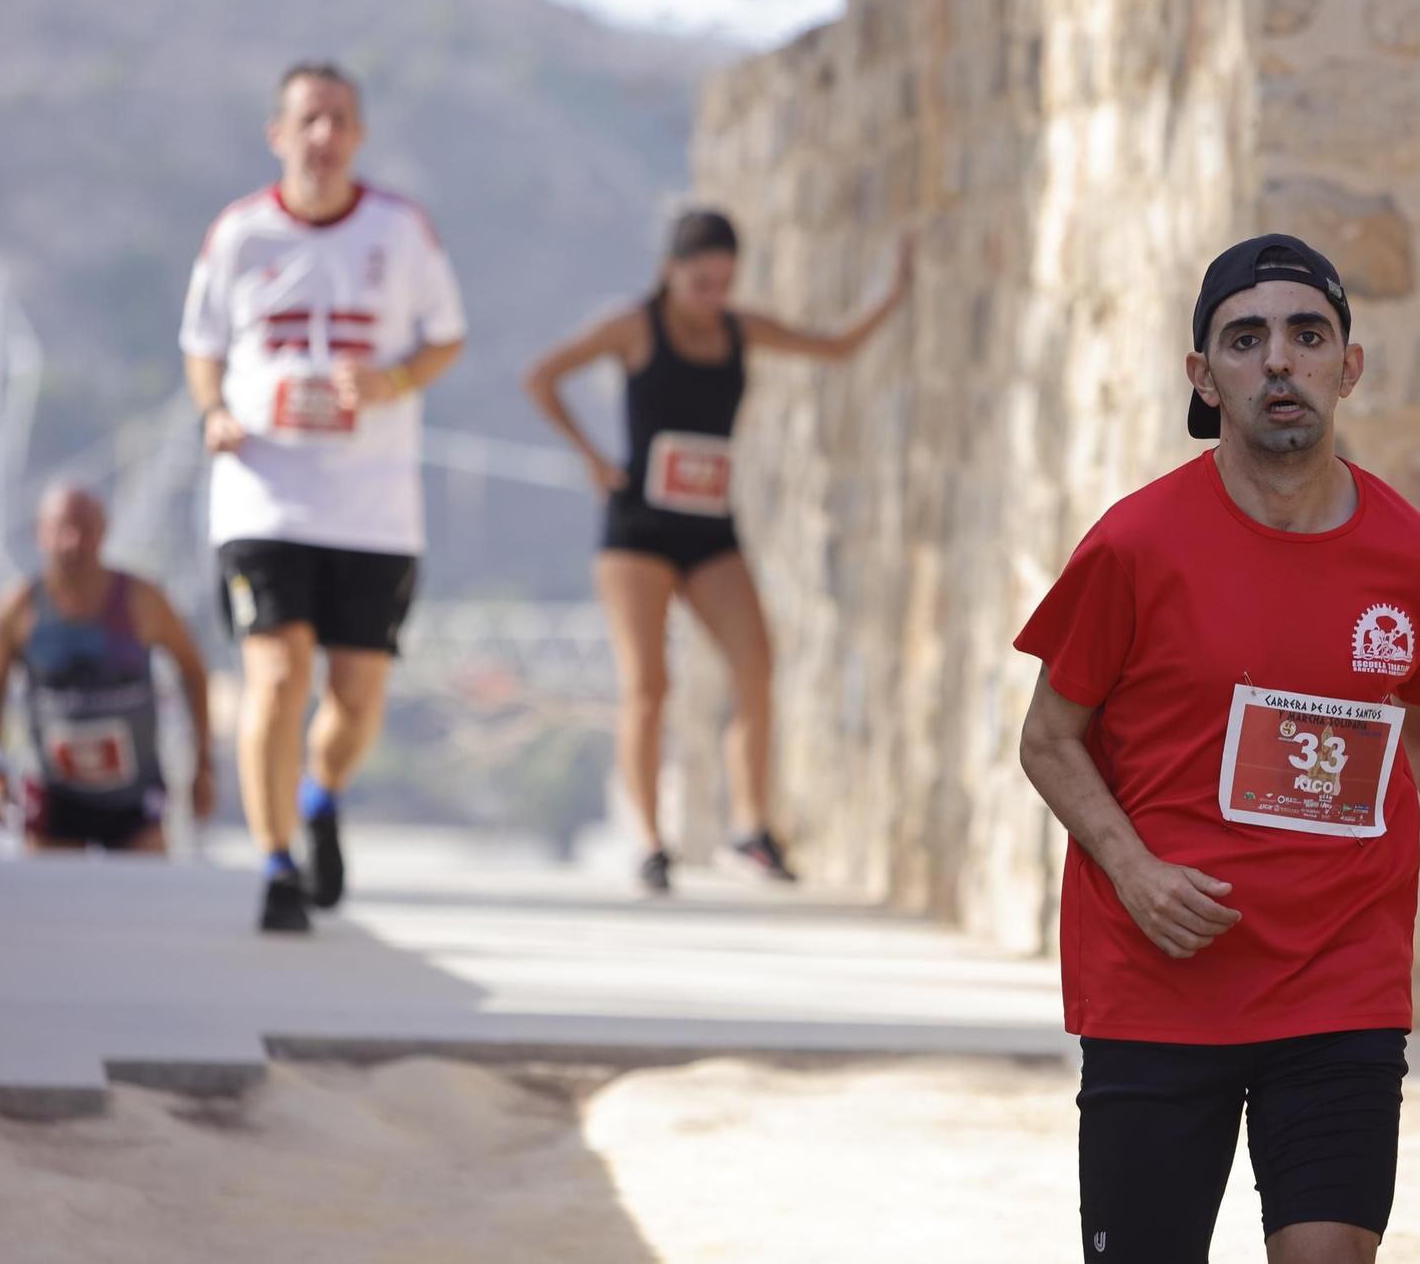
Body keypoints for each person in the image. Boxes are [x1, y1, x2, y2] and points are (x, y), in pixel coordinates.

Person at [1015, 234, 1420, 1264]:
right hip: (1160, 973)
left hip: (1337, 972)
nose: (1278, 361)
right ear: (1204, 378)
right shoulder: (1133, 546)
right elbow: (1048, 738)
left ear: (1348, 366)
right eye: (1245, 340)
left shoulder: (1415, 560)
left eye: (1307, 334)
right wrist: (1135, 870)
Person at [523, 209, 911, 894]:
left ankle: (751, 828)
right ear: (671, 271)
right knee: (649, 685)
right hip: (637, 528)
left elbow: (837, 347)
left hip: (710, 529)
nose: (713, 296)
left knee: (756, 665)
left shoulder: (741, 329)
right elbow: (542, 377)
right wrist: (592, 458)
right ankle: (649, 842)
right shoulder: (634, 326)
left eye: (725, 283)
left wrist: (895, 288)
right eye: (701, 281)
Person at [180, 61, 466, 932]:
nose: (324, 135)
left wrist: (392, 381)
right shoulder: (239, 235)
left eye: (339, 119)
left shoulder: (401, 230)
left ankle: (321, 792)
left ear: (359, 134)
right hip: (264, 495)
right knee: (275, 673)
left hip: (371, 505)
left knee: (355, 695)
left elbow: (446, 339)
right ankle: (273, 863)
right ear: (279, 134)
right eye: (309, 119)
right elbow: (202, 342)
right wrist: (215, 411)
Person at [0, 483, 215, 853]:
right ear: (41, 534)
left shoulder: (142, 601)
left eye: (84, 528)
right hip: (53, 799)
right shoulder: (20, 608)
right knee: (47, 907)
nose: (73, 542)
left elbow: (193, 672)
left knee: (144, 905)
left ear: (103, 532)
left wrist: (204, 765)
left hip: (133, 802)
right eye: (61, 529)